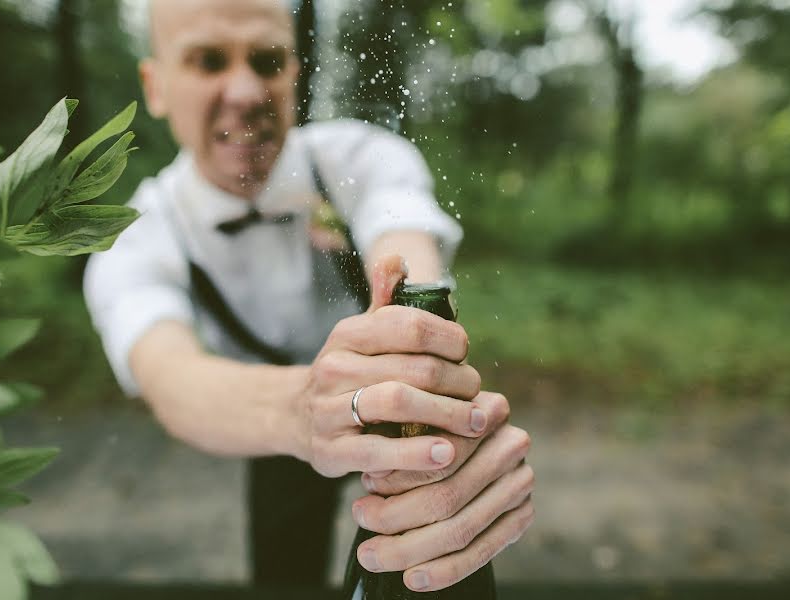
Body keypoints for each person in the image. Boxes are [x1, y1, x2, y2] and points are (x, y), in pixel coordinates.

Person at [83, 0, 535, 592]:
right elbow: (172, 378)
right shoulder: (134, 232)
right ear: (157, 85)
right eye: (209, 60)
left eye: (267, 60)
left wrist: (417, 352)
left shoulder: (358, 158)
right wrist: (303, 413)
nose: (245, 91)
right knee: (283, 567)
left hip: (395, 412)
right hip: (268, 426)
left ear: (294, 71)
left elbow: (407, 249)